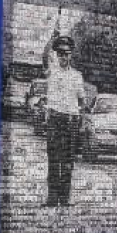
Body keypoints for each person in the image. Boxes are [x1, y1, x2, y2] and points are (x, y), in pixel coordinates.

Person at [42, 30, 86, 207]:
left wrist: (80, 120)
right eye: (60, 54)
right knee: (53, 159)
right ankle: (52, 198)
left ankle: (65, 198)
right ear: (56, 54)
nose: (63, 57)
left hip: (70, 121)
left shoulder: (77, 76)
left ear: (70, 55)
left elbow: (81, 101)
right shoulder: (51, 71)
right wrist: (51, 38)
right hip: (54, 120)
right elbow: (44, 57)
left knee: (67, 161)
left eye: (66, 54)